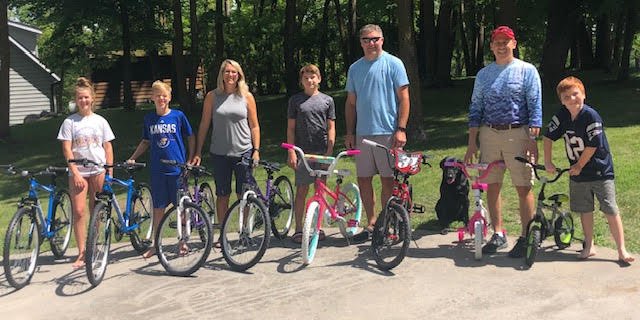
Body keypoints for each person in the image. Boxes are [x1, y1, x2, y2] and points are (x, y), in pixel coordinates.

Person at [463, 25, 542, 257]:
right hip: (489, 135)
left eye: (505, 41)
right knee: (492, 185)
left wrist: (532, 138)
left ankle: (527, 237)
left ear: (514, 44)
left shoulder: (527, 71)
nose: (501, 45)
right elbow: (475, 108)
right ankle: (498, 234)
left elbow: (535, 106)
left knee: (523, 186)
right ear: (491, 46)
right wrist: (472, 142)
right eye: (497, 41)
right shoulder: (483, 75)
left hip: (518, 133)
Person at [543, 76, 634, 265]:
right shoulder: (562, 115)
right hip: (579, 175)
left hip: (600, 171)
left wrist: (578, 166)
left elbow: (592, 146)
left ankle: (621, 249)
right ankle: (589, 245)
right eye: (566, 96)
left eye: (575, 94)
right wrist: (548, 161)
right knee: (585, 210)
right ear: (561, 100)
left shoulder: (591, 115)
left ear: (583, 94)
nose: (572, 99)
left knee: (610, 209)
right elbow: (548, 137)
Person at [344, 24, 410, 242]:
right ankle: (372, 224)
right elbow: (351, 103)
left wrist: (401, 129)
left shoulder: (393, 64)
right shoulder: (355, 68)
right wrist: (350, 132)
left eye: (375, 39)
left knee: (388, 180)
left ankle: (389, 222)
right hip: (363, 134)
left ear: (382, 40)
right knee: (364, 180)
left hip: (388, 133)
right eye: (366, 39)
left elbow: (404, 99)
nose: (371, 43)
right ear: (361, 42)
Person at [192, 59, 260, 247]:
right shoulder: (212, 96)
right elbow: (204, 124)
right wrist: (198, 150)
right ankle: (222, 235)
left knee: (243, 195)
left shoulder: (246, 96)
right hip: (219, 153)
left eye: (234, 72)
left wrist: (256, 150)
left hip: (243, 152)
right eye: (227, 71)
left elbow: (254, 126)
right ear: (222, 74)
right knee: (222, 195)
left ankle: (244, 231)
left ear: (239, 75)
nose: (231, 75)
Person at [127, 80, 195, 258]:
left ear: (170, 97)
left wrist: (191, 158)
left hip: (177, 170)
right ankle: (156, 244)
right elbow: (145, 141)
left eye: (164, 95)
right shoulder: (149, 119)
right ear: (152, 98)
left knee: (181, 207)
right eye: (157, 95)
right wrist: (133, 157)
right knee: (158, 208)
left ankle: (183, 242)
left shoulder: (178, 116)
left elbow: (190, 136)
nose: (161, 98)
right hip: (158, 171)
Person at [57, 77, 115, 269]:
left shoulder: (101, 121)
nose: (83, 101)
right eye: (80, 98)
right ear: (76, 99)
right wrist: (75, 172)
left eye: (86, 97)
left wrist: (109, 172)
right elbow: (66, 149)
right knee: (79, 211)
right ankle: (82, 252)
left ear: (92, 99)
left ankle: (94, 246)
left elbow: (108, 147)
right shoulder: (69, 122)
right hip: (78, 171)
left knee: (96, 209)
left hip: (98, 169)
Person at [286, 64, 336, 244]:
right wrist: (291, 151)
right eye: (306, 78)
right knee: (302, 190)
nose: (309, 80)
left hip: (322, 152)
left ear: (319, 78)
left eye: (313, 77)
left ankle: (317, 226)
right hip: (302, 153)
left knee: (320, 190)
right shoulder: (295, 101)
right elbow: (291, 128)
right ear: (301, 81)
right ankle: (299, 228)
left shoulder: (327, 101)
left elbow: (331, 127)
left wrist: (330, 151)